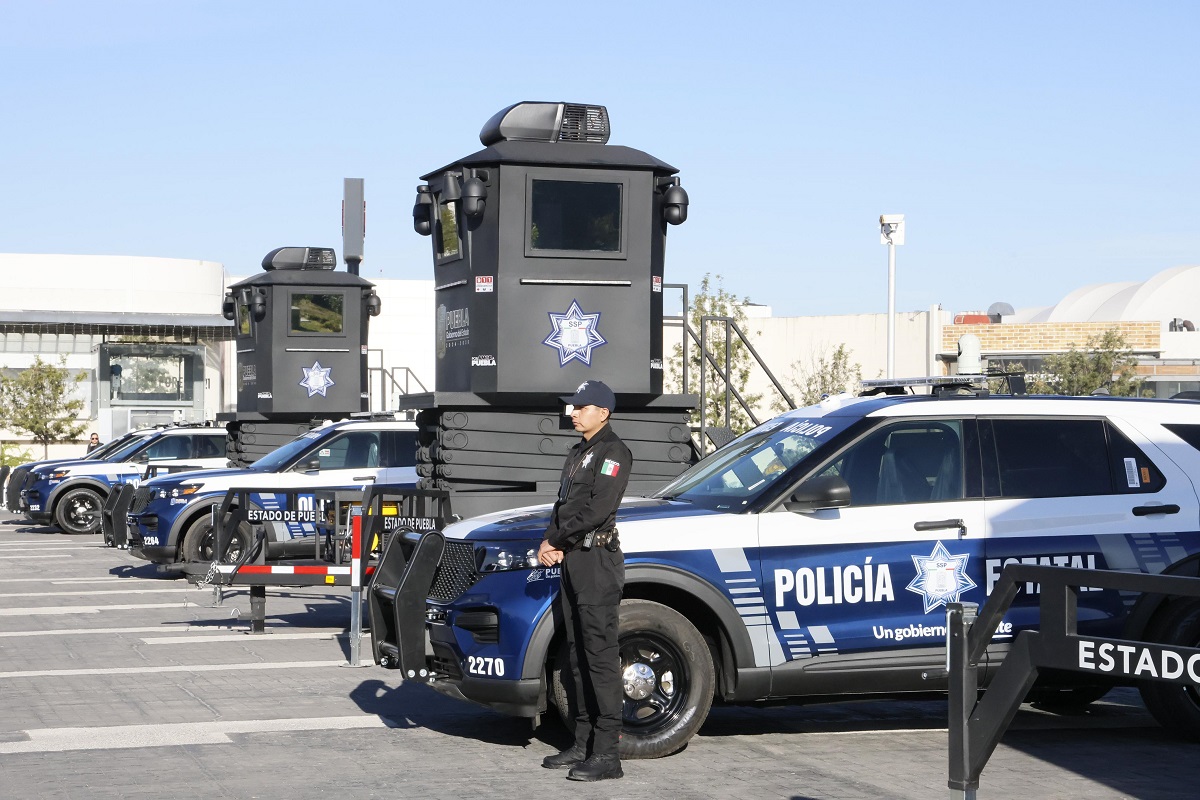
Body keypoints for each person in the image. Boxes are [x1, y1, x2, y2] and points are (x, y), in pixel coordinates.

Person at [538, 380, 632, 782]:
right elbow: (566, 506)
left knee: (599, 657)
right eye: (572, 407)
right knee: (576, 657)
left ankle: (608, 754)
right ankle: (582, 742)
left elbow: (598, 509)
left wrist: (554, 539)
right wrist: (553, 541)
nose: (573, 413)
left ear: (603, 412)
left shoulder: (614, 453)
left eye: (581, 407)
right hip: (574, 559)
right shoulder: (579, 452)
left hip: (597, 562)